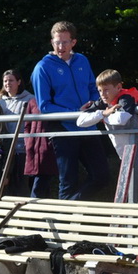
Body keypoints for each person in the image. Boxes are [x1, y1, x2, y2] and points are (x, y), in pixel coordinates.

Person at [31, 21, 109, 200]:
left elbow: (92, 87)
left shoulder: (82, 60)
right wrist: (75, 111)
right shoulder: (42, 67)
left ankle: (71, 210)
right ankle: (63, 225)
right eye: (57, 42)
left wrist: (93, 104)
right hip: (63, 129)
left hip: (88, 126)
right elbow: (44, 106)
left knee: (102, 176)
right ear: (52, 42)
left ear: (73, 42)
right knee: (68, 181)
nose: (60, 46)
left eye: (65, 42)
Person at [76, 70, 138, 202]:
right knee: (131, 197)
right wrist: (104, 113)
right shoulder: (103, 103)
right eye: (100, 90)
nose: (102, 94)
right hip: (130, 157)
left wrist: (101, 117)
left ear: (118, 87)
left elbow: (121, 119)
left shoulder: (126, 97)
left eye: (106, 90)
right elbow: (80, 121)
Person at [0, 69, 35, 196]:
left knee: (21, 187)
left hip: (22, 151)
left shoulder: (30, 100)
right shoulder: (0, 102)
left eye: (11, 80)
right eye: (5, 81)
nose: (8, 83)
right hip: (4, 152)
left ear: (19, 82)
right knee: (5, 189)